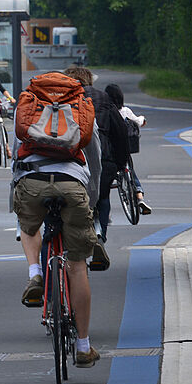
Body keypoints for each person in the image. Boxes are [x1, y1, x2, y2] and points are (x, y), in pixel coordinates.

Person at [12, 71, 102, 368]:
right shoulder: (80, 104)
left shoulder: (29, 102)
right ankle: (84, 346)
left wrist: (18, 197)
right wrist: (93, 199)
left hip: (32, 181)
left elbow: (17, 153)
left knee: (27, 226)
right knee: (77, 266)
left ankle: (36, 272)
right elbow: (95, 157)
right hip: (72, 183)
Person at [64, 66, 128, 262]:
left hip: (68, 159)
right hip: (104, 158)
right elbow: (120, 133)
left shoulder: (60, 98)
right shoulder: (103, 98)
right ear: (89, 80)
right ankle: (100, 236)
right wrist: (119, 163)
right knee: (102, 196)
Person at [104, 83, 152, 215]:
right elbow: (138, 121)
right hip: (125, 148)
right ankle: (139, 196)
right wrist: (143, 119)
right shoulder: (125, 111)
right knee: (129, 169)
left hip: (109, 150)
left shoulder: (105, 111)